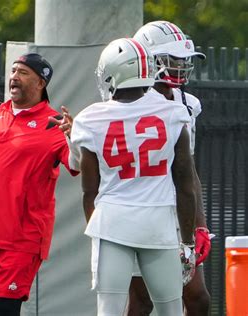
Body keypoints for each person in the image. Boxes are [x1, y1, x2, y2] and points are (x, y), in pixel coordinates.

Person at [70, 38, 197, 316]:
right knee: (171, 310)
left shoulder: (89, 119)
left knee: (110, 310)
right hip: (159, 224)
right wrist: (187, 241)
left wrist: (97, 231)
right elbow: (185, 186)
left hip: (112, 222)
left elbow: (89, 190)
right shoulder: (173, 112)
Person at [0, 52, 79, 315]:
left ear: (40, 84)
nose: (14, 77)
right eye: (13, 71)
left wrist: (75, 139)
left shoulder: (54, 124)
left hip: (21, 241)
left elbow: (77, 166)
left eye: (23, 73)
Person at [127, 21, 211, 316]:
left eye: (183, 59)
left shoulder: (188, 104)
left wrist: (198, 224)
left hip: (178, 212)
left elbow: (188, 172)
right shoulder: (127, 101)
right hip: (140, 209)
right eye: (172, 58)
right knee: (142, 301)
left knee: (198, 298)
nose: (181, 65)